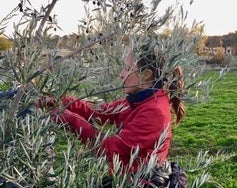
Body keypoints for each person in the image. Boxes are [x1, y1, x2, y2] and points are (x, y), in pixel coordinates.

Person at [38, 46, 186, 186]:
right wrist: (62, 101)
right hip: (123, 178)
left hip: (136, 183)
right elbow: (99, 112)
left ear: (146, 75)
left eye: (128, 69)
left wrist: (70, 119)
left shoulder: (154, 111)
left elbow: (110, 148)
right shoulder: (140, 99)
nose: (121, 74)